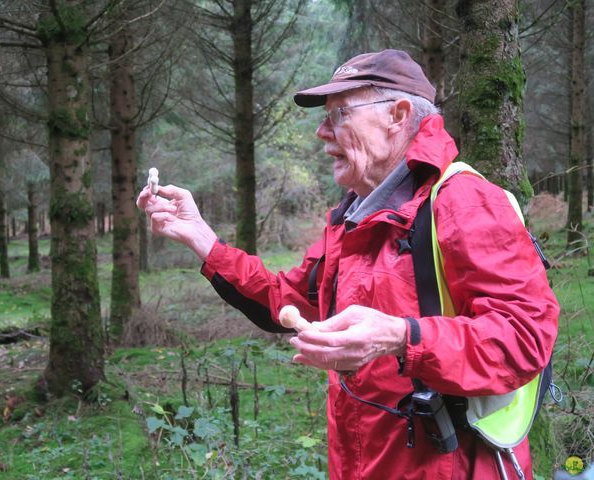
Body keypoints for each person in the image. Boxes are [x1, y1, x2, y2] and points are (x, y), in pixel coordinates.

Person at [137, 49, 559, 480]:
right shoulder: (352, 216)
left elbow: (525, 338)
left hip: (449, 466)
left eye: (339, 114)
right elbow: (292, 302)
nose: (322, 132)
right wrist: (202, 239)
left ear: (397, 114)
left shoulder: (464, 201)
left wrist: (400, 337)